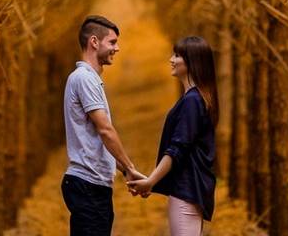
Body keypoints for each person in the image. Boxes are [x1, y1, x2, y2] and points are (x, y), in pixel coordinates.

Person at [127, 36, 219, 236]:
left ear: (192, 62)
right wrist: (150, 179)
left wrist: (151, 181)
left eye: (177, 55)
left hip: (186, 192)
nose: (171, 59)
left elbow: (177, 149)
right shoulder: (195, 98)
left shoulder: (193, 101)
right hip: (190, 190)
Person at [62, 15, 145, 235]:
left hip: (94, 185)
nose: (117, 48)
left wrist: (125, 171)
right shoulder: (84, 78)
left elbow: (96, 139)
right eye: (112, 42)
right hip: (87, 185)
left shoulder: (89, 79)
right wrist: (129, 167)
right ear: (94, 42)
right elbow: (105, 130)